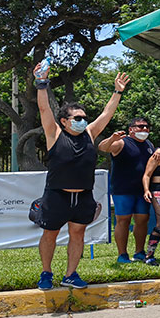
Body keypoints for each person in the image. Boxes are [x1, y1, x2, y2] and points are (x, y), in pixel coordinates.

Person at [32, 62, 129, 291]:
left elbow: (107, 113)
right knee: (50, 235)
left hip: (83, 196)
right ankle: (46, 273)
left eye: (83, 117)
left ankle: (70, 275)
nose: (82, 120)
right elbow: (44, 110)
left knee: (78, 235)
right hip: (57, 195)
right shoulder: (54, 133)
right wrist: (41, 83)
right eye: (77, 118)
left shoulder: (89, 133)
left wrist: (117, 92)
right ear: (65, 121)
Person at [97, 117, 154, 264]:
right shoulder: (122, 143)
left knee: (142, 220)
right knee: (123, 220)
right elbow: (103, 147)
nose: (144, 129)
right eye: (140, 126)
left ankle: (139, 252)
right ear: (131, 129)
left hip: (143, 191)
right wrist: (112, 138)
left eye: (146, 127)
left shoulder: (149, 144)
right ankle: (122, 254)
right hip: (123, 190)